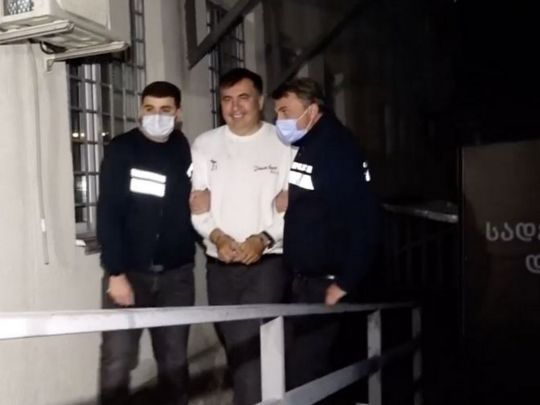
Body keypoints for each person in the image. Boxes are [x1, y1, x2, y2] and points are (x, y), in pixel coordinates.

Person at [271, 78, 380, 393]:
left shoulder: (336, 150)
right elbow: (319, 196)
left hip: (325, 284)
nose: (279, 120)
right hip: (305, 280)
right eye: (277, 112)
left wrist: (343, 283)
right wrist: (292, 201)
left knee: (303, 376)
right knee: (306, 372)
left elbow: (365, 221)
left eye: (285, 111)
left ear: (311, 109)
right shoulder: (311, 144)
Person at [190, 68, 291, 405]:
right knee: (239, 350)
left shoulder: (284, 144)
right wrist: (217, 237)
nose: (235, 108)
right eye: (227, 100)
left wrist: (263, 239)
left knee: (248, 352)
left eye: (244, 98)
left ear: (260, 101)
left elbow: (291, 208)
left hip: (267, 266)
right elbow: (198, 206)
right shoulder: (205, 144)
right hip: (220, 266)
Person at [97, 81, 195, 405]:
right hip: (129, 274)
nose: (157, 116)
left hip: (176, 277)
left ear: (178, 113)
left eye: (165, 109)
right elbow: (108, 212)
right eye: (150, 108)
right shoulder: (122, 149)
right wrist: (115, 273)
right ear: (140, 110)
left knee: (174, 362)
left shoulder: (185, 150)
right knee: (117, 359)